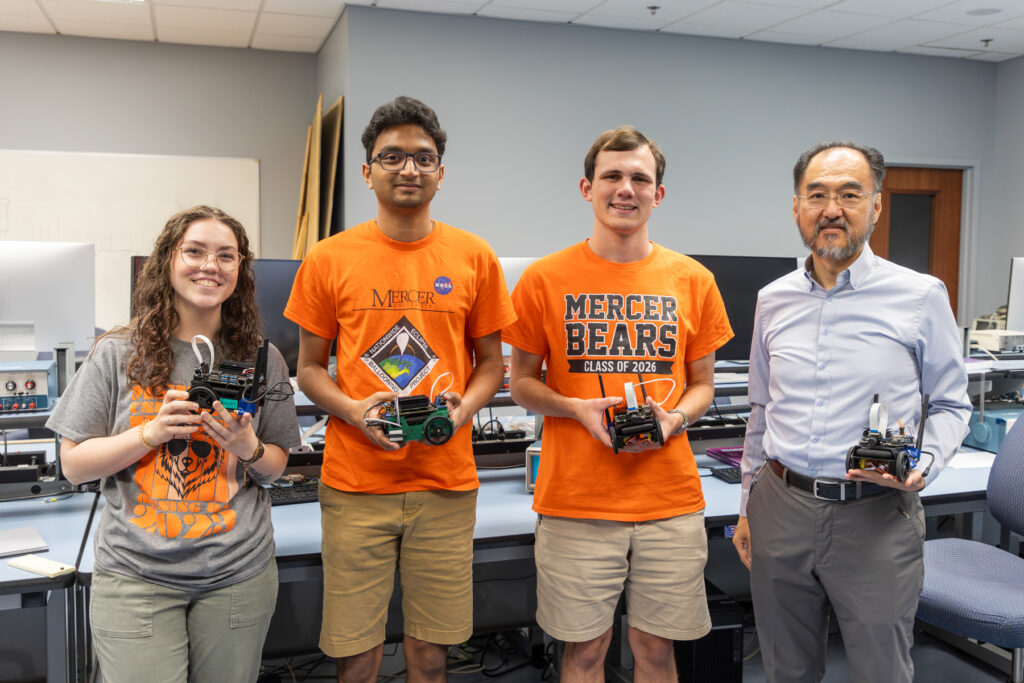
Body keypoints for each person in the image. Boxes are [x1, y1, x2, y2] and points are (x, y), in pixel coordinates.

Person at [285, 96, 516, 683]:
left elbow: (493, 363)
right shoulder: (329, 257)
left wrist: (463, 408)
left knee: (431, 654)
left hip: (445, 483)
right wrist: (354, 411)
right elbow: (309, 368)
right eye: (391, 157)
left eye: (423, 157)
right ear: (367, 172)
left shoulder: (474, 256)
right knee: (355, 653)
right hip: (357, 484)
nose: (408, 169)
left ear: (441, 172)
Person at [731, 141, 972, 683]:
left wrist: (923, 463)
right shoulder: (773, 300)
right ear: (797, 207)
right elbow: (761, 411)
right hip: (781, 505)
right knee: (786, 669)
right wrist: (748, 504)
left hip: (876, 515)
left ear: (876, 206)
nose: (831, 209)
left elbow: (954, 403)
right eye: (816, 194)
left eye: (848, 194)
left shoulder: (919, 295)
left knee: (879, 671)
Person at [503, 125, 733, 682]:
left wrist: (677, 416)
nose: (625, 188)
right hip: (577, 501)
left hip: (668, 502)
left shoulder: (693, 280)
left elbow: (703, 384)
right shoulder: (543, 278)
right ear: (587, 188)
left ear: (658, 194)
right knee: (584, 653)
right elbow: (522, 383)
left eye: (639, 178)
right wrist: (576, 408)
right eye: (612, 176)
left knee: (656, 651)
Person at [47, 205, 300, 683]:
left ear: (240, 270)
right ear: (168, 260)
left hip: (236, 574)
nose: (210, 265)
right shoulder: (118, 352)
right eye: (195, 251)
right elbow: (75, 467)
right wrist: (151, 433)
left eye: (226, 256)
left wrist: (248, 447)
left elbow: (277, 468)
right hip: (136, 577)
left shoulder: (262, 359)